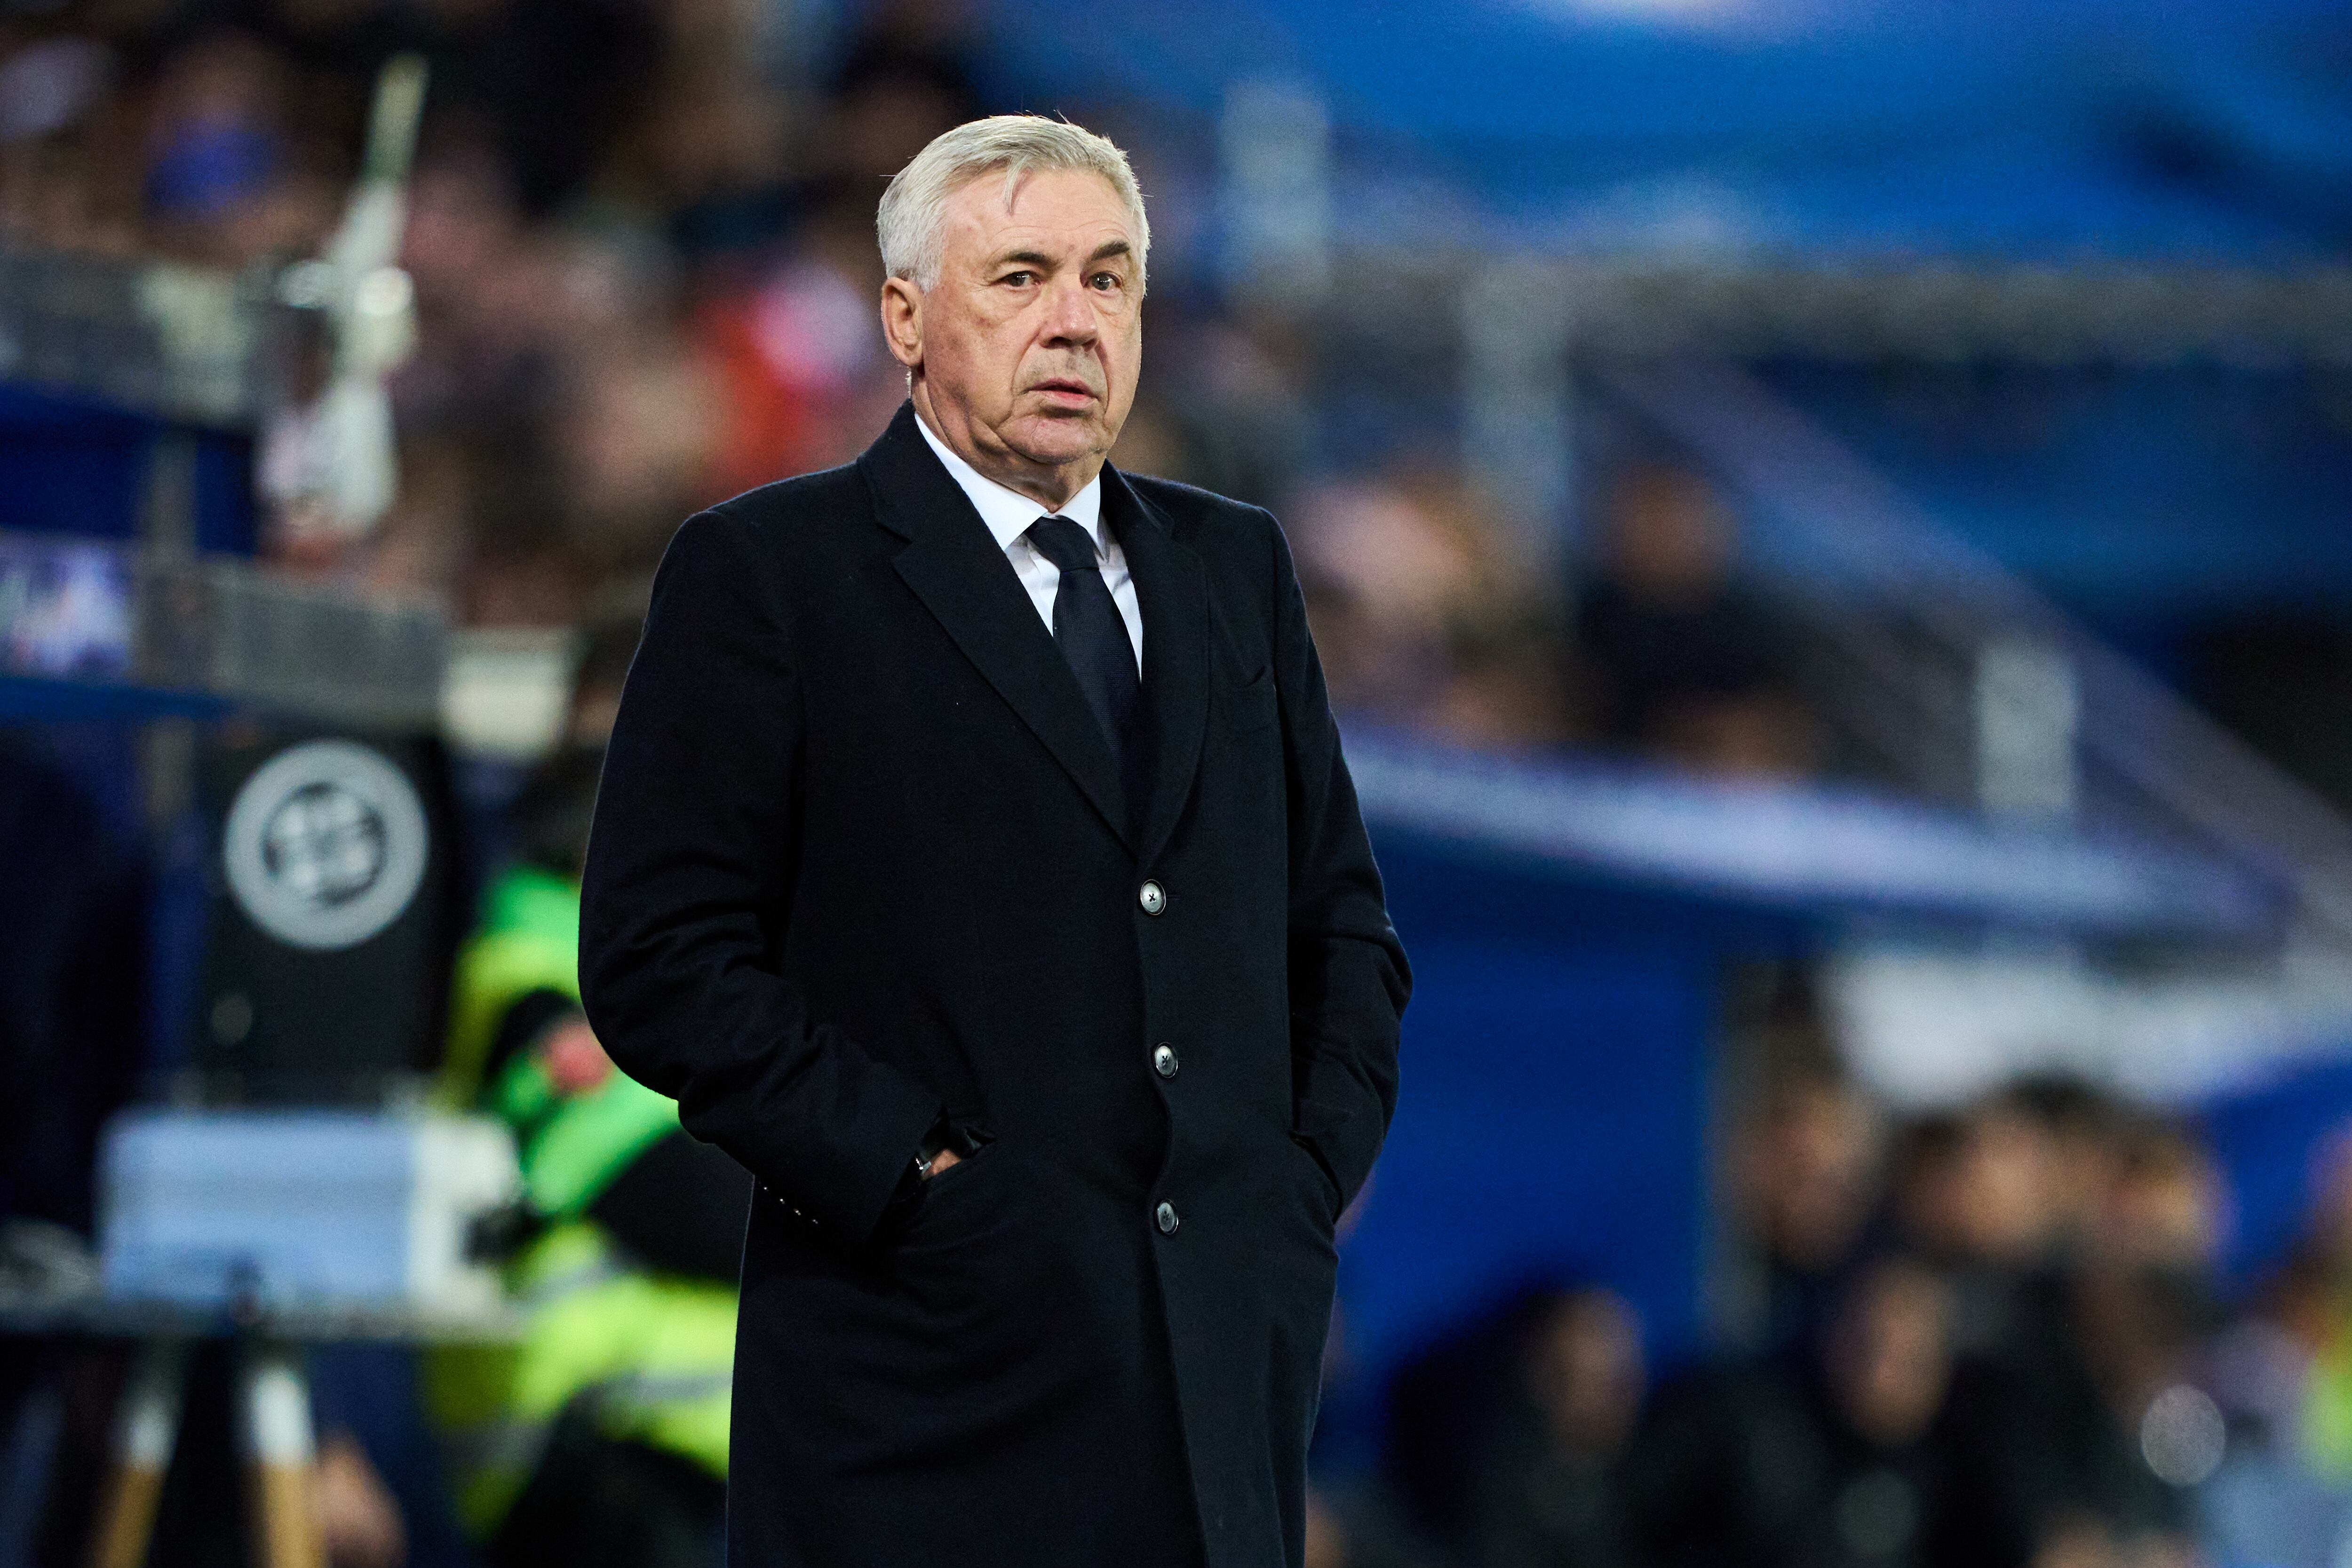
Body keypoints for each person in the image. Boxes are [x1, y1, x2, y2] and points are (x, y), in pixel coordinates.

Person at [577, 115, 1411, 1567]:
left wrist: (1295, 1181)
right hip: (914, 1387)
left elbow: (1339, 930)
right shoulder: (771, 577)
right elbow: (659, 958)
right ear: (905, 316)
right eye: (1020, 277)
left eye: (1109, 279)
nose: (1075, 323)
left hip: (1214, 1378)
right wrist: (914, 1180)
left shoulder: (1236, 569)